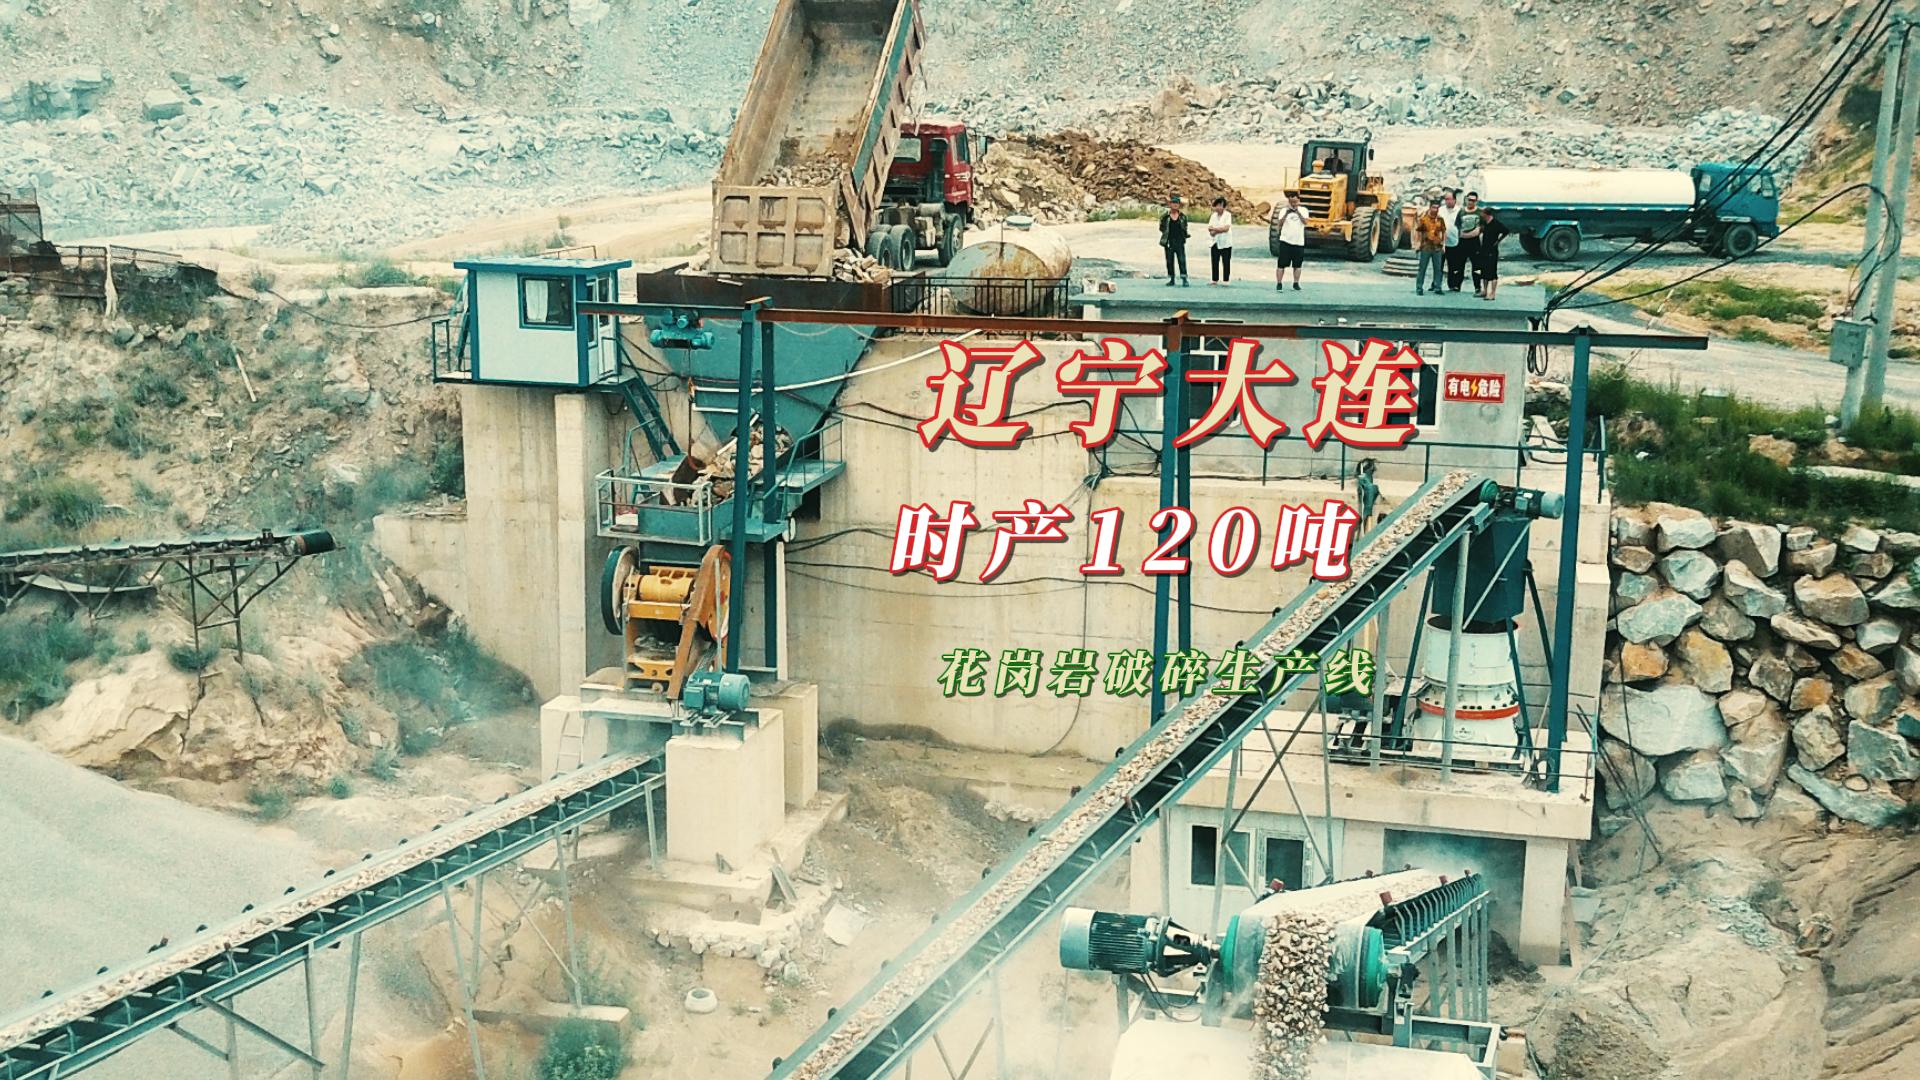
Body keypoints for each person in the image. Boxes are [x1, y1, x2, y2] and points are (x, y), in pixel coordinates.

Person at [1448, 191, 1483, 294]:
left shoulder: (1479, 213)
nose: (1470, 202)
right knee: (1459, 264)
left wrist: (1471, 234)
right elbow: (1458, 225)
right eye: (1469, 200)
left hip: (1474, 242)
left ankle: (1477, 286)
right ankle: (1457, 285)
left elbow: (1480, 228)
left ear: (1476, 201)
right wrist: (1461, 234)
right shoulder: (1461, 212)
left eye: (1473, 200)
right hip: (1462, 242)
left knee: (1476, 265)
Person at [1273, 193, 1308, 291]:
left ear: (1299, 201)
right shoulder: (1283, 210)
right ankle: (1279, 283)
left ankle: (1296, 283)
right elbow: (1279, 223)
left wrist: (1298, 213)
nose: (1293, 204)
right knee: (1281, 264)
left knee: (1297, 265)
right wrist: (1287, 214)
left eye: (1295, 202)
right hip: (1286, 240)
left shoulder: (1303, 210)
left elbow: (1305, 222)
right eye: (1291, 202)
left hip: (1298, 241)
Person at [1475, 205, 1510, 301]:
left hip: (1492, 250)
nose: (1481, 215)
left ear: (1487, 214)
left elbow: (1506, 231)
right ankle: (1485, 291)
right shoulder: (1485, 223)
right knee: (1484, 271)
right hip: (1484, 249)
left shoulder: (1496, 223)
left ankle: (1492, 293)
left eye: (1482, 213)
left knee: (1492, 272)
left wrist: (1498, 241)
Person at [1414, 199, 1447, 296]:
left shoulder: (1440, 219)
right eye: (1433, 207)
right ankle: (1419, 287)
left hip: (1437, 247)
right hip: (1426, 246)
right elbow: (1418, 232)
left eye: (1437, 208)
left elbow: (1444, 231)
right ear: (1430, 207)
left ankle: (1438, 287)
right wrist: (1417, 243)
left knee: (1438, 268)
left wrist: (1443, 244)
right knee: (1422, 268)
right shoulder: (1424, 219)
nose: (1435, 210)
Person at [1159, 195, 1190, 286]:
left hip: (1179, 241)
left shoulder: (1182, 216)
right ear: (1170, 204)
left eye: (1177, 203)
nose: (1175, 205)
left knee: (1182, 260)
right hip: (1169, 241)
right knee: (1169, 260)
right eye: (1173, 203)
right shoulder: (1165, 217)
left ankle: (1184, 279)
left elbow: (1185, 227)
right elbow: (1161, 228)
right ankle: (1172, 279)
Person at [1437, 189, 1463, 294]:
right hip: (1441, 242)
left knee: (1453, 265)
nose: (1448, 201)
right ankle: (1436, 284)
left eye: (1450, 199)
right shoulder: (1440, 210)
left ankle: (1454, 285)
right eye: (1446, 199)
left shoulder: (1459, 211)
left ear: (1455, 200)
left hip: (1454, 241)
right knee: (1438, 265)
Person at [1206, 196, 1234, 285]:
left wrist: (1215, 229)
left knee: (1226, 261)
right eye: (1217, 205)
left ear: (1224, 207)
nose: (1218, 207)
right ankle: (1214, 279)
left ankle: (1226, 280)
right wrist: (1216, 230)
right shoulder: (1213, 216)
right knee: (1214, 261)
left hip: (1225, 242)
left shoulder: (1227, 215)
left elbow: (1226, 228)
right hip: (1215, 241)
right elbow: (1210, 228)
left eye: (1220, 205)